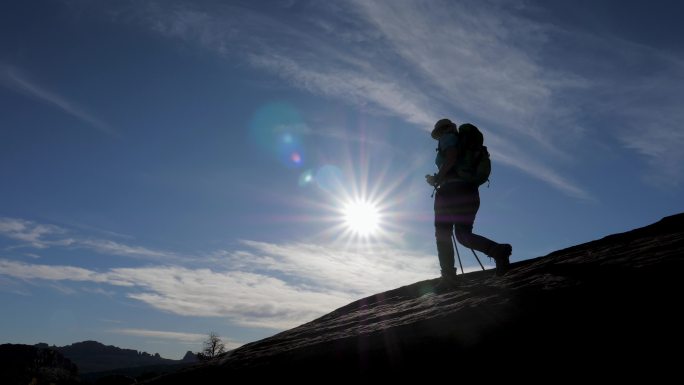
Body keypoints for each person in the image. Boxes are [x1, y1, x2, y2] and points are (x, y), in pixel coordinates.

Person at [426, 118, 512, 286]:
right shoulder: (465, 143)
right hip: (469, 191)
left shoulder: (447, 138)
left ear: (442, 131)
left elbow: (451, 158)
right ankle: (497, 251)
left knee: (443, 233)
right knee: (463, 234)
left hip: (450, 192)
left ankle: (448, 276)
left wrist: (436, 178)